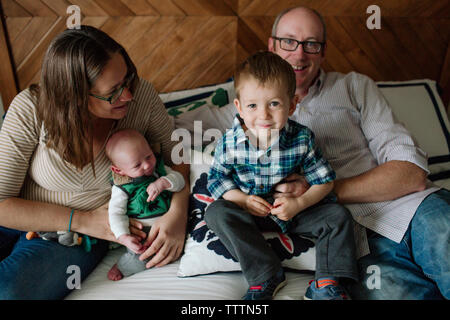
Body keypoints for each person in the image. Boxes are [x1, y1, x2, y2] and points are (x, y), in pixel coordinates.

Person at [268, 6, 449, 299]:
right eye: (289, 41)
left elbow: (411, 173)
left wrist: (317, 191)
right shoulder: (246, 104)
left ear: (323, 52)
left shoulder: (354, 86)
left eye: (311, 44)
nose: (299, 55)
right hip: (357, 245)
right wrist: (175, 212)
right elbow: (173, 130)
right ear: (271, 45)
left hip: (414, 208)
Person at [0, 26, 189, 299]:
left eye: (128, 80)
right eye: (113, 92)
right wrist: (85, 220)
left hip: (74, 240)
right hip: (24, 216)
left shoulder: (143, 98)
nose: (128, 95)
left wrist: (177, 215)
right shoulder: (30, 108)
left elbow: (179, 157)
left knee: (8, 292)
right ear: (73, 96)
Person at [205, 51, 358, 300]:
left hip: (293, 211)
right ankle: (265, 274)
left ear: (292, 105)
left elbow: (324, 180)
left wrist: (299, 203)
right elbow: (216, 180)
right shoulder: (230, 143)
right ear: (239, 108)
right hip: (251, 212)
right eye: (253, 105)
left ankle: (326, 282)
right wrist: (242, 200)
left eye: (274, 104)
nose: (263, 115)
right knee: (216, 213)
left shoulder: (302, 139)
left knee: (337, 216)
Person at [105, 129, 185, 281]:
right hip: (145, 233)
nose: (147, 165)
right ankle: (124, 266)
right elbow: (115, 213)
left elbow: (180, 180)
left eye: (149, 156)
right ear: (118, 170)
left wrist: (165, 182)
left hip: (173, 221)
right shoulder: (122, 187)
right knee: (142, 256)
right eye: (137, 165)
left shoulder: (159, 171)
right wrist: (123, 236)